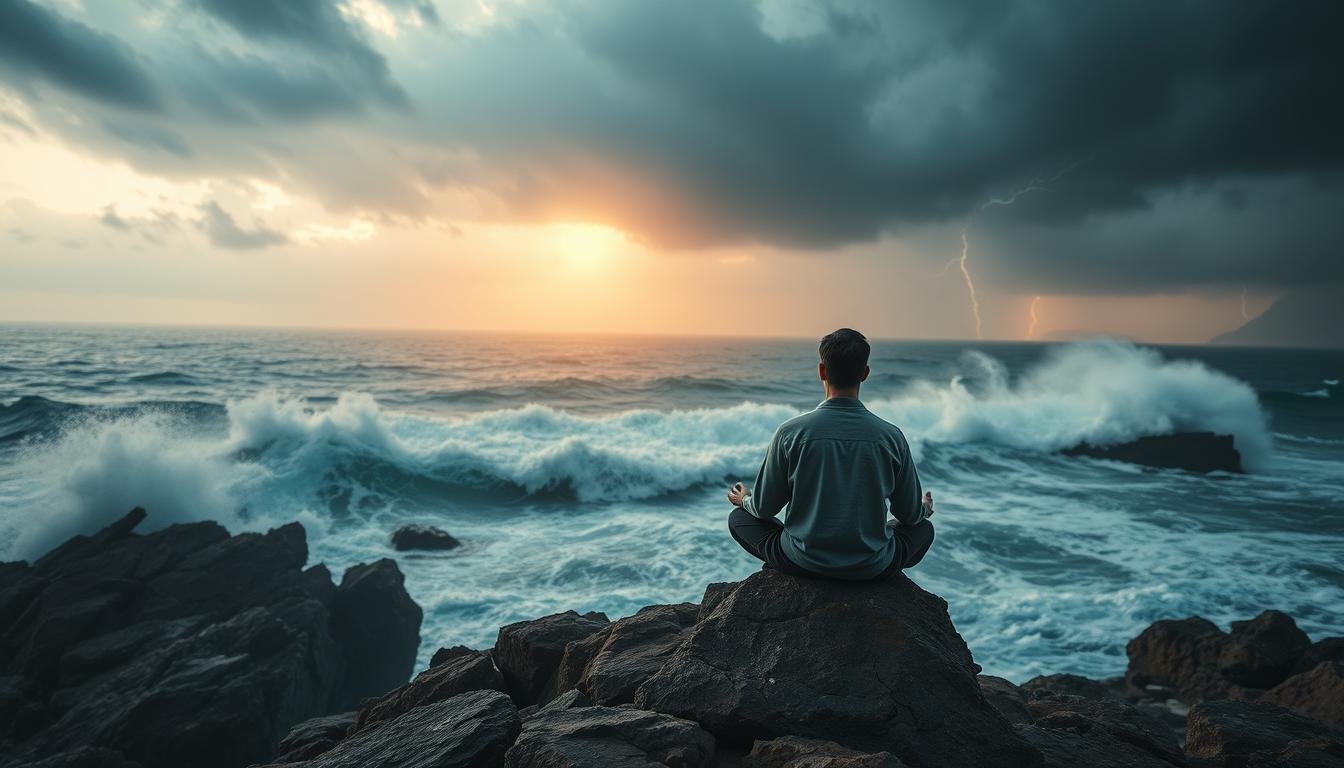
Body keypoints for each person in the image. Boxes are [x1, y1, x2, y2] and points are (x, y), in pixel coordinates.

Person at [726, 328, 935, 580]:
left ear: (822, 371)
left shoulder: (790, 432)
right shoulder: (891, 436)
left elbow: (764, 508)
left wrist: (745, 499)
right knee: (924, 529)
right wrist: (924, 508)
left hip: (802, 562)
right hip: (870, 567)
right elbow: (909, 516)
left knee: (739, 519)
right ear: (865, 373)